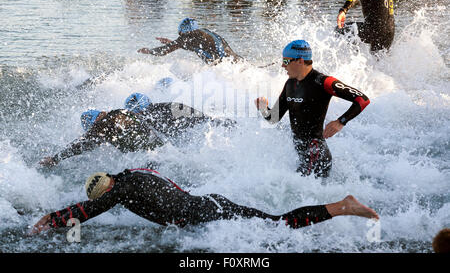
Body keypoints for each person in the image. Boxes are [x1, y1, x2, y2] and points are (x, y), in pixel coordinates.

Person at [30, 168, 379, 235]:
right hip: (210, 203)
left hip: (207, 213)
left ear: (108, 189)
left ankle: (342, 206)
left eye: (106, 195)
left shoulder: (119, 192)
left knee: (278, 225)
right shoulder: (132, 175)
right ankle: (341, 206)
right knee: (274, 221)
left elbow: (86, 211)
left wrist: (51, 218)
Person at [255, 40, 370, 178]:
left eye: (286, 60)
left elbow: (362, 99)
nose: (283, 65)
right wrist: (263, 109)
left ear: (300, 61)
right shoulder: (290, 84)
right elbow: (273, 118)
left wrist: (340, 121)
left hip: (317, 155)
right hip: (303, 155)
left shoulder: (323, 82)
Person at [39, 93, 234, 167]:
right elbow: (197, 118)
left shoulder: (111, 120)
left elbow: (84, 143)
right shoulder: (131, 116)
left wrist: (56, 158)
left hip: (156, 159)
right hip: (168, 153)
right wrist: (218, 122)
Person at [138, 18, 242, 65]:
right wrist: (172, 43)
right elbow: (196, 45)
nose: (181, 37)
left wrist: (148, 51)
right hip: (236, 61)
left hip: (224, 67)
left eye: (181, 35)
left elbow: (164, 51)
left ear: (184, 31)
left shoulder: (188, 37)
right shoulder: (203, 32)